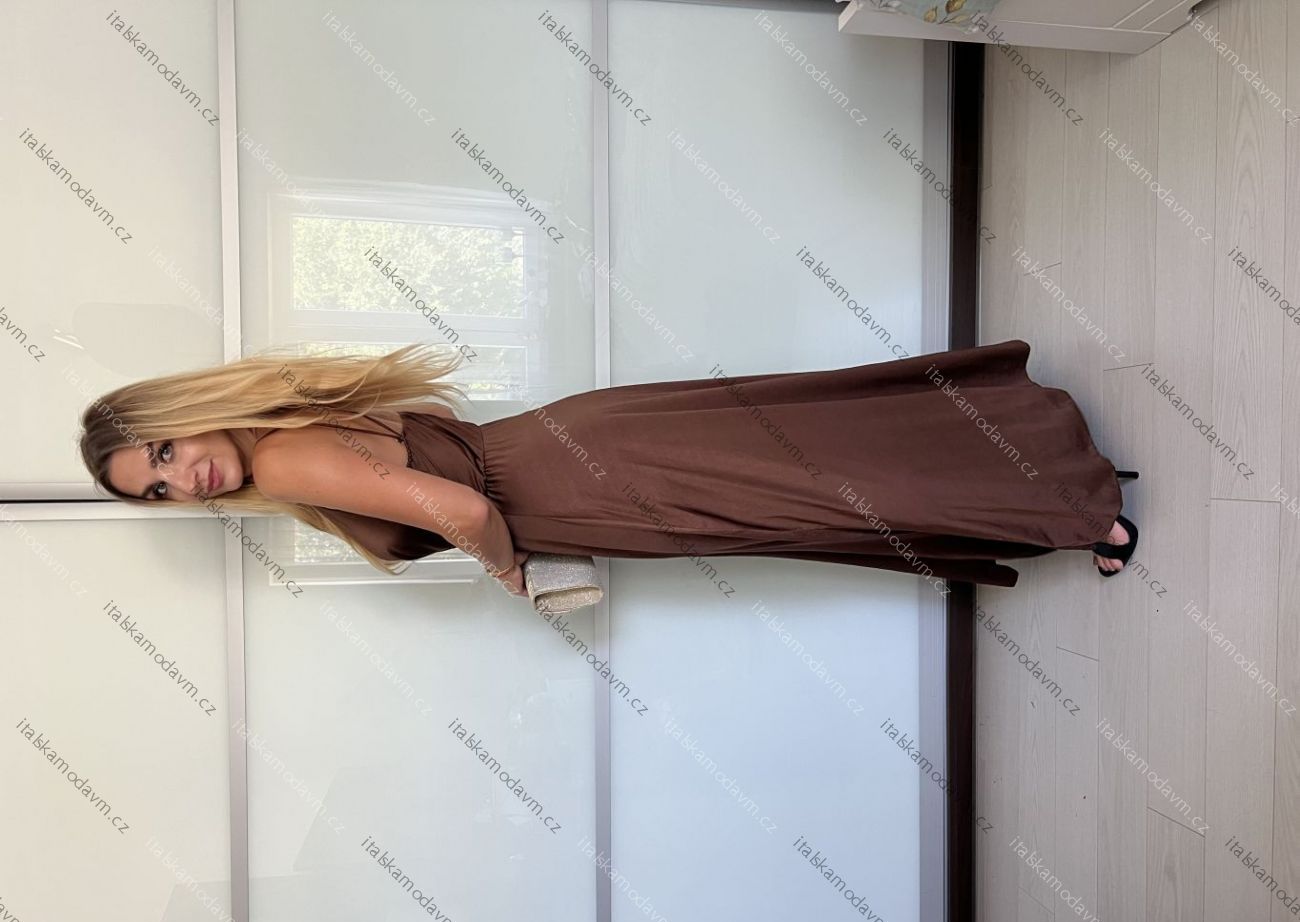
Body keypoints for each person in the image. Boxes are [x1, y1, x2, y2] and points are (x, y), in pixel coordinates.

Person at [77, 339, 1138, 596]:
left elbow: (457, 506)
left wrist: (506, 570)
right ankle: (1034, 450)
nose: (184, 478)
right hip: (583, 443)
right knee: (818, 450)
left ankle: (1084, 509)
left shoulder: (288, 455)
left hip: (589, 482)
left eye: (165, 450)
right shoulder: (298, 410)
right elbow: (442, 440)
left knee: (824, 483)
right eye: (159, 488)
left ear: (186, 413)